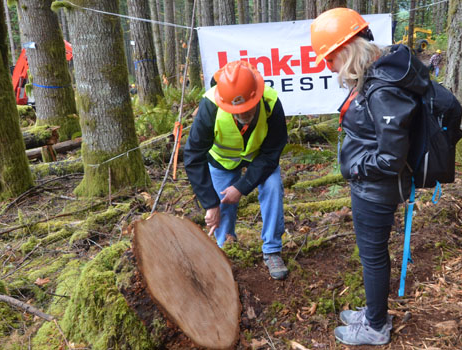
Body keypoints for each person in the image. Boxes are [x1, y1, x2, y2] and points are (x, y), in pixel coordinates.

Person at [310, 8, 433, 345]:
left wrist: (355, 168)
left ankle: (376, 326)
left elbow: (391, 157)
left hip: (377, 188)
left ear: (343, 51)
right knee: (373, 253)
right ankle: (374, 311)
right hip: (372, 184)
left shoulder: (382, 89)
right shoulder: (378, 76)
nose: (326, 67)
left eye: (328, 59)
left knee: (373, 255)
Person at [183, 60, 289, 280]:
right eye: (237, 110)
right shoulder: (210, 106)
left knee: (272, 188)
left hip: (260, 157)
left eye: (248, 108)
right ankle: (227, 247)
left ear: (256, 95)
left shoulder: (271, 102)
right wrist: (210, 204)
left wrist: (242, 186)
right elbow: (193, 156)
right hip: (222, 160)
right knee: (222, 204)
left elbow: (272, 152)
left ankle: (272, 249)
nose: (244, 113)